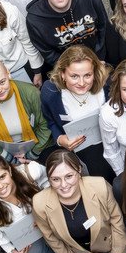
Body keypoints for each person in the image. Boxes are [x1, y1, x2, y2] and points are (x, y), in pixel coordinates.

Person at [32, 150, 126, 253]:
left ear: (79, 170)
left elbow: (116, 217)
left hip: (108, 240)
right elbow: (49, 236)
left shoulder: (99, 186)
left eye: (69, 176)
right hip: (81, 250)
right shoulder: (40, 203)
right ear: (49, 179)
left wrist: (119, 248)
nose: (63, 185)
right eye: (55, 179)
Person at [40, 45, 111, 178]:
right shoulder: (50, 92)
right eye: (74, 76)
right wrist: (60, 139)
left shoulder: (108, 86)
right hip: (82, 151)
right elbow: (50, 121)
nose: (82, 82)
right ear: (62, 74)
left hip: (112, 142)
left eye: (87, 75)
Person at [25, 0, 110, 69]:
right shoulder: (35, 20)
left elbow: (104, 28)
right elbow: (49, 54)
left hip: (99, 60)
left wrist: (97, 60)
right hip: (67, 69)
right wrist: (74, 69)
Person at [0, 60, 52, 164]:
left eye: (2, 82)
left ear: (8, 74)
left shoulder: (30, 93)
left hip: (39, 146)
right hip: (0, 153)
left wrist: (32, 153)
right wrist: (9, 158)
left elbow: (45, 124)